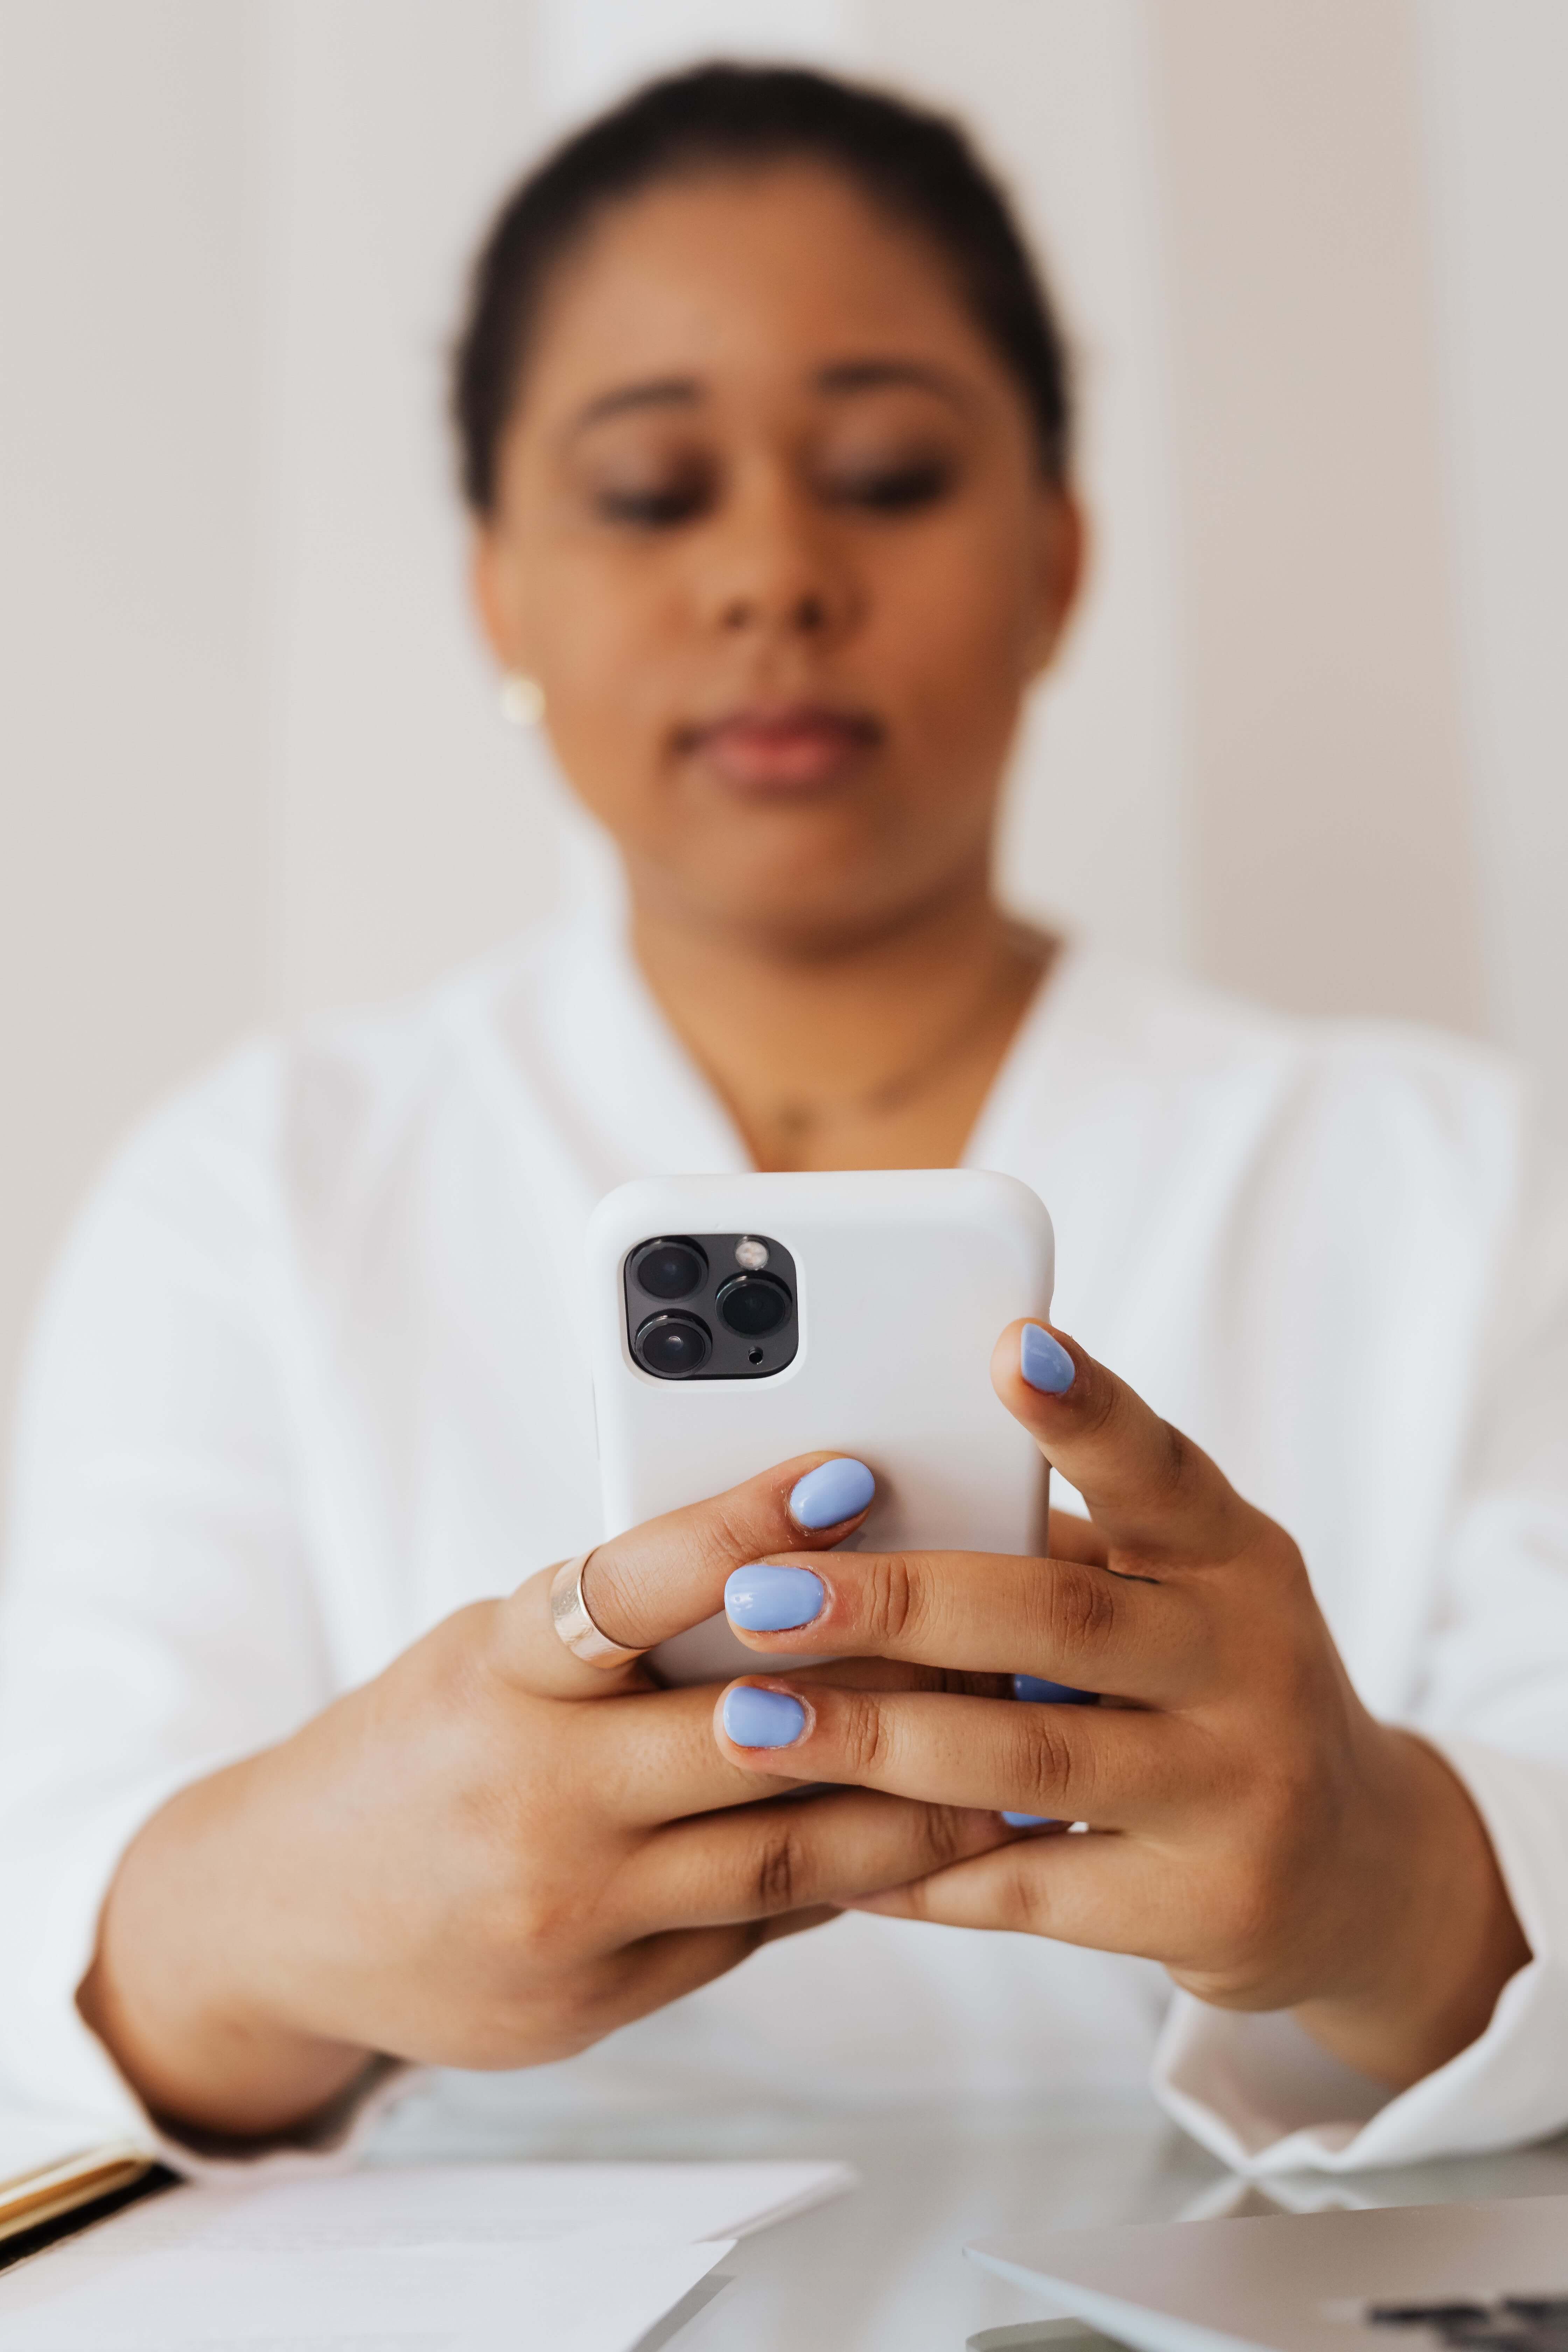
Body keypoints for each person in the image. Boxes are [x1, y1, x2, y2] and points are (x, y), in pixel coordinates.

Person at [2, 62, 1566, 2183]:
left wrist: (1381, 1872)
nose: (772, 574)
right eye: (653, 494)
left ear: (1060, 557)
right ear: (501, 599)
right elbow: (53, 1964)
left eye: (891, 472)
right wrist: (279, 1913)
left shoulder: (1454, 1180)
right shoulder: (258, 1192)